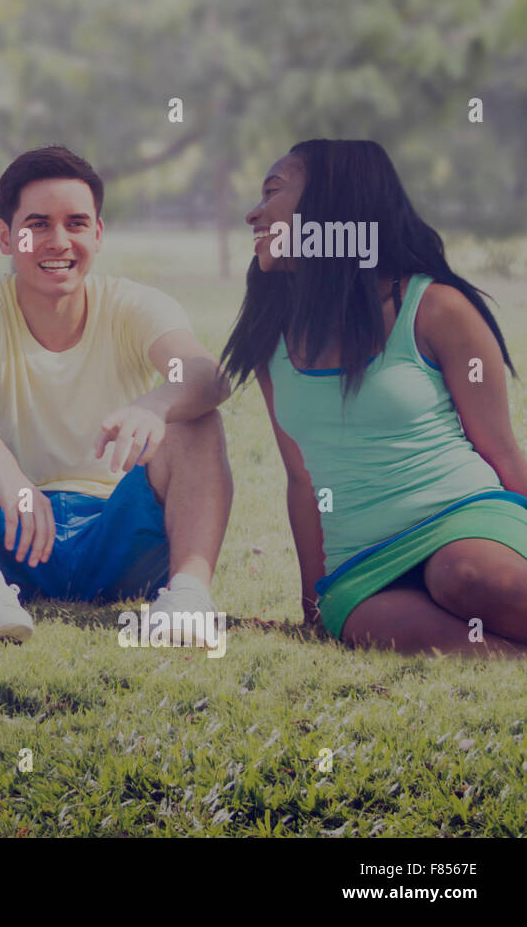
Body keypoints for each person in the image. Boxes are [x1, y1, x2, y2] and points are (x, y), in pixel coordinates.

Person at [0, 145, 232, 645]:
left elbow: (207, 374)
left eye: (76, 223)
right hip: (12, 537)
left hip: (118, 534)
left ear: (98, 234)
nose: (58, 241)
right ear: (5, 236)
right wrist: (3, 469)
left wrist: (154, 405)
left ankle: (189, 596)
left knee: (196, 418)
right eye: (37, 224)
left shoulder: (133, 306)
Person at [224, 138, 527, 655]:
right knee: (375, 627)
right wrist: (312, 607)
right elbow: (302, 479)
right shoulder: (269, 335)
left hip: (464, 522)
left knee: (462, 575)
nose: (254, 212)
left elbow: (500, 451)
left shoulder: (435, 308)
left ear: (332, 205)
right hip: (361, 564)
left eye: (272, 192)